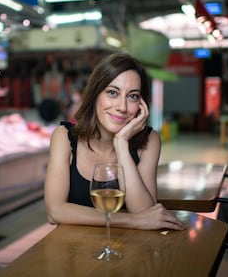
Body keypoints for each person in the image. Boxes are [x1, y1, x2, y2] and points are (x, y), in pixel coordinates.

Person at [44, 53, 185, 231]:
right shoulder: (63, 137)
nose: (122, 107)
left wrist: (121, 145)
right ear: (95, 95)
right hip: (73, 252)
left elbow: (146, 213)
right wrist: (133, 221)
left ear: (142, 104)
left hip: (127, 251)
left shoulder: (150, 141)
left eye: (132, 96)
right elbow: (54, 212)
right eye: (112, 93)